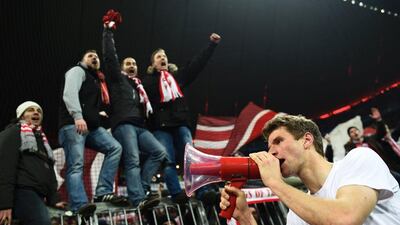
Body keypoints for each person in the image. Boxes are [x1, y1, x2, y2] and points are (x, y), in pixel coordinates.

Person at [220, 115, 400, 225]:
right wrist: (245, 218)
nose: (271, 151)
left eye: (278, 141)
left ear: (307, 140)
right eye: (269, 146)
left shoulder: (359, 158)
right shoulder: (297, 214)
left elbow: (346, 218)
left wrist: (274, 182)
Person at [142, 32, 221, 203]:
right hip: (161, 127)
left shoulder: (177, 78)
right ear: (153, 63)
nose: (162, 58)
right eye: (158, 57)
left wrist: (211, 45)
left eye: (164, 56)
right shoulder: (146, 82)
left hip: (181, 123)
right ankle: (176, 193)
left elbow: (196, 65)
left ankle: (203, 191)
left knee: (193, 158)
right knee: (168, 161)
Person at [101, 10, 166, 209]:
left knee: (159, 152)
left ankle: (142, 188)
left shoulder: (139, 86)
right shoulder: (117, 79)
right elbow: (110, 57)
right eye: (128, 63)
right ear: (121, 68)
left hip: (140, 125)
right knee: (132, 159)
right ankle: (138, 199)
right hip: (124, 124)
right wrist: (108, 32)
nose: (132, 65)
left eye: (134, 63)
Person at [58, 49, 126, 214]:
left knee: (115, 148)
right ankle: (79, 204)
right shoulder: (77, 71)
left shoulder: (96, 80)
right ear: (82, 60)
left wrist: (97, 115)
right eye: (90, 56)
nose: (94, 57)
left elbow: (86, 102)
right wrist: (77, 116)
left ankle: (102, 191)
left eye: (96, 56)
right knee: (76, 165)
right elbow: (69, 94)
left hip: (90, 127)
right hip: (73, 125)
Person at [0, 101, 66, 225]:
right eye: (30, 110)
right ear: (21, 116)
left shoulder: (42, 140)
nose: (36, 112)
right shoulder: (13, 133)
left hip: (37, 195)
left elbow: (49, 171)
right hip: (21, 192)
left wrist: (54, 199)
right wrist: (4, 205)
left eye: (38, 111)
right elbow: (4, 169)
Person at [344, 107, 400, 175]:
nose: (355, 132)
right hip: (369, 171)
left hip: (384, 165)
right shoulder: (350, 148)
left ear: (359, 131)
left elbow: (381, 133)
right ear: (350, 136)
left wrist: (379, 120)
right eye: (351, 132)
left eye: (356, 130)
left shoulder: (370, 139)